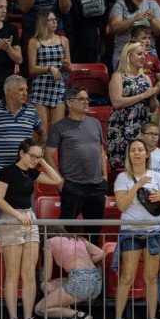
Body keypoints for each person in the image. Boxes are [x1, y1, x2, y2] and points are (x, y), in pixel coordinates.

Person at [0, 139, 59, 319]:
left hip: (29, 218)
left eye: (37, 156)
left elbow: (56, 180)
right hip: (11, 218)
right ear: (21, 153)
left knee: (29, 272)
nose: (35, 160)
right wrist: (16, 215)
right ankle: (13, 318)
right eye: (32, 156)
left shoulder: (32, 172)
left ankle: (28, 317)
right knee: (13, 272)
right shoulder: (7, 171)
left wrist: (43, 161)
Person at [112, 137, 160, 319]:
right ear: (129, 155)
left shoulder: (157, 176)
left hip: (154, 231)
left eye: (140, 149)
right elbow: (121, 205)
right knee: (127, 277)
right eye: (133, 150)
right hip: (131, 231)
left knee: (152, 278)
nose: (136, 153)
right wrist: (138, 185)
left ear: (146, 154)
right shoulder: (122, 178)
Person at [47, 87, 107, 223]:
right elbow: (48, 155)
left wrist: (105, 177)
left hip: (97, 186)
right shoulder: (59, 127)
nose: (86, 102)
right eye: (81, 99)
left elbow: (101, 151)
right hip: (72, 185)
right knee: (66, 231)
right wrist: (60, 181)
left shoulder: (95, 123)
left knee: (94, 232)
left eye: (87, 99)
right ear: (69, 103)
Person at [107, 42, 160, 169]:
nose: (143, 57)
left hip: (142, 126)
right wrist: (143, 95)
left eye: (144, 54)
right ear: (128, 55)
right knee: (124, 167)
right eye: (139, 54)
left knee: (141, 166)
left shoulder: (146, 78)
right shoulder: (118, 77)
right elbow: (116, 102)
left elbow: (152, 108)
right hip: (122, 127)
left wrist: (152, 95)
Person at [35, 230, 104, 319]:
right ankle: (68, 318)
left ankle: (78, 315)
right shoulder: (78, 238)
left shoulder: (49, 242)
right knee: (50, 285)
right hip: (96, 282)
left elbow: (47, 276)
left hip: (79, 281)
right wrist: (83, 266)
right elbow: (100, 253)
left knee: (39, 308)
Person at [109, 0, 160, 69]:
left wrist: (152, 20)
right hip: (125, 52)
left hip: (148, 52)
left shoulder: (152, 4)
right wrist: (134, 19)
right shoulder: (120, 4)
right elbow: (114, 28)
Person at [26, 10, 70, 129]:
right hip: (41, 86)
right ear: (42, 23)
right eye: (50, 20)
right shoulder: (34, 42)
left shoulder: (63, 40)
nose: (54, 22)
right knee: (43, 132)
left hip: (58, 85)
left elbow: (69, 68)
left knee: (56, 131)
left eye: (55, 19)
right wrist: (50, 68)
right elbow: (32, 69)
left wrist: (65, 65)